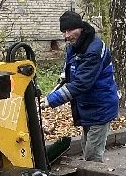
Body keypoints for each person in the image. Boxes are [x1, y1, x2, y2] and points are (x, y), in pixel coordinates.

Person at [46, 9, 119, 162]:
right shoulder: (75, 45)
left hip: (100, 107)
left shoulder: (94, 50)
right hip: (86, 107)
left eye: (69, 30)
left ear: (80, 28)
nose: (66, 36)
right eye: (63, 32)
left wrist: (51, 100)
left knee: (92, 156)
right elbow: (68, 76)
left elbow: (80, 84)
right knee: (86, 147)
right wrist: (51, 94)